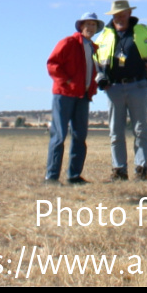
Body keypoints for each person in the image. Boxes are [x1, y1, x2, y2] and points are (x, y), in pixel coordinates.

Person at [94, 0, 147, 181]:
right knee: (115, 131)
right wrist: (100, 78)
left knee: (140, 130)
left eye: (122, 13)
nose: (119, 17)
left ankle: (141, 169)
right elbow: (94, 62)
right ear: (112, 16)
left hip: (138, 86)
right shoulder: (103, 36)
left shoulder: (145, 31)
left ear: (129, 13)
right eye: (116, 14)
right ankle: (119, 170)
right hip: (114, 88)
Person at [45, 12, 103, 185]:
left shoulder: (93, 47)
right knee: (59, 135)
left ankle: (74, 175)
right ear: (80, 26)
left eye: (93, 25)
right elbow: (52, 64)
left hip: (83, 97)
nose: (90, 28)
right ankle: (52, 176)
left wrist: (92, 88)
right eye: (88, 24)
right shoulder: (68, 43)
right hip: (64, 95)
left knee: (79, 136)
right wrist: (67, 81)